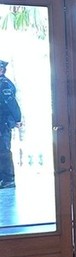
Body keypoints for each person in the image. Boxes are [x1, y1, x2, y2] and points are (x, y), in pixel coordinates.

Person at [0, 58, 21, 189]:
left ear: (2, 70)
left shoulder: (4, 84)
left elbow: (11, 103)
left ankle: (8, 178)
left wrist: (17, 119)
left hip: (3, 123)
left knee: (3, 150)